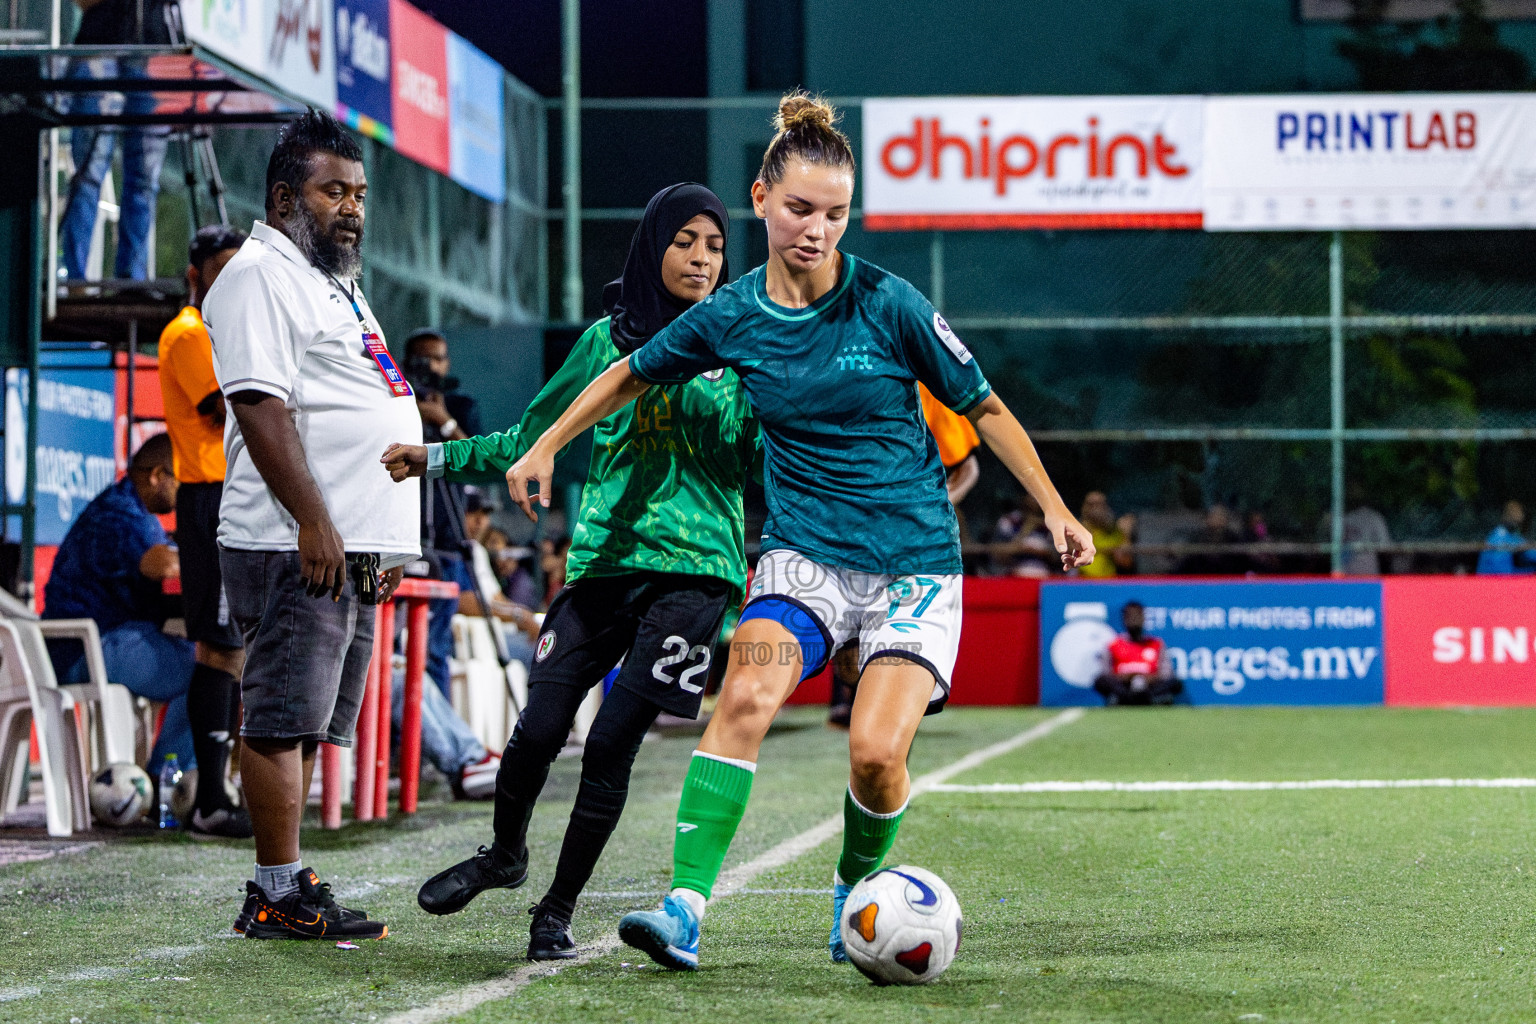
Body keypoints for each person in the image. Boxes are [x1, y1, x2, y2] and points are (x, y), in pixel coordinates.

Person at [501, 93, 1093, 971]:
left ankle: (852, 894)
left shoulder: (889, 304)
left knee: (874, 756)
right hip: (803, 559)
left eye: (837, 213)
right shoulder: (732, 314)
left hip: (913, 569)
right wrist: (547, 442)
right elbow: (628, 375)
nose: (818, 229)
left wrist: (1053, 505)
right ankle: (684, 907)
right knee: (742, 696)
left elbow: (987, 405)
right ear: (762, 199)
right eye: (800, 210)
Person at [380, 182, 755, 960]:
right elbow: (530, 435)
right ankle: (507, 854)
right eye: (685, 240)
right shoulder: (605, 343)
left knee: (613, 740)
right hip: (601, 567)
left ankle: (555, 908)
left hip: (696, 576)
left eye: (715, 245)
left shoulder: (743, 350)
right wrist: (437, 459)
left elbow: (768, 458)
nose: (701, 258)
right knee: (540, 730)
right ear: (654, 246)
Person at [203, 110, 419, 941]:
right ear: (287, 195)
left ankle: (289, 877)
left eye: (359, 193)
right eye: (335, 192)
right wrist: (317, 522)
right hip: (291, 542)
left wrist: (379, 537)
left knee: (309, 718)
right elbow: (261, 406)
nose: (353, 207)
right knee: (280, 713)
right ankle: (270, 893)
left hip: (339, 545)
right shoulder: (260, 274)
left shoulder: (328, 277)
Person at [156, 223, 252, 838]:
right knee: (221, 647)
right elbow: (234, 409)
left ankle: (216, 792)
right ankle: (210, 800)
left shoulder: (220, 331)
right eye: (222, 269)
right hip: (209, 499)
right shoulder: (189, 335)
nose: (233, 281)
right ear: (195, 275)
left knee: (234, 647)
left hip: (233, 495)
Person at [828, 385, 981, 726]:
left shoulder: (927, 393)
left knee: (895, 644)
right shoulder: (834, 380)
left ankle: (885, 718)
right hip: (848, 531)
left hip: (911, 544)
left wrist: (936, 508)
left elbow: (968, 467)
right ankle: (851, 698)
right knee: (850, 650)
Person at [43, 435, 191, 775]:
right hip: (81, 650)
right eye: (180, 481)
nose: (183, 491)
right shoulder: (119, 512)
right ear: (156, 475)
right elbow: (163, 565)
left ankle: (177, 781)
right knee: (209, 670)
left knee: (209, 660)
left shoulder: (128, 507)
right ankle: (163, 784)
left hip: (97, 642)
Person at [59, 0, 174, 280]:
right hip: (99, 47)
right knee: (88, 172)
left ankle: (131, 279)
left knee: (144, 180)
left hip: (155, 51)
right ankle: (74, 278)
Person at [1093, 601, 1182, 706]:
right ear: (1124, 619)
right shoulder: (1113, 645)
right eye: (1130, 616)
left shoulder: (1156, 644)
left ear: (1143, 618)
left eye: (1137, 616)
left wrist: (1148, 678)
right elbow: (1105, 673)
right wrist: (1126, 677)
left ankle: (1142, 699)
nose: (1134, 620)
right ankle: (1131, 699)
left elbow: (1166, 673)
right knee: (1101, 681)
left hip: (1149, 685)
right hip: (1124, 685)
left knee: (1175, 683)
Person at [1079, 491, 1135, 578]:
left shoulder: (1115, 531)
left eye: (1100, 504)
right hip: (1080, 582)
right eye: (1091, 504)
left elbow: (1126, 563)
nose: (1096, 509)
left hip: (1108, 582)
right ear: (1084, 507)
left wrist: (1126, 534)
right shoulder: (1076, 530)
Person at [1477, 500, 1536, 575]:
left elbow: (1530, 553)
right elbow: (1502, 573)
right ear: (1506, 516)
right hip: (1492, 582)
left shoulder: (1513, 536)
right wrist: (1532, 571)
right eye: (1515, 519)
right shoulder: (1498, 538)